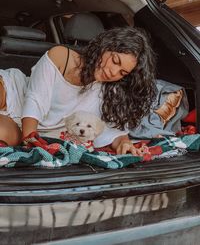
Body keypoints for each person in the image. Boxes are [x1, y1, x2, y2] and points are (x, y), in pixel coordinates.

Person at [0, 27, 156, 155]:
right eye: (115, 60)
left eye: (122, 73)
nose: (113, 72)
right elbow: (35, 100)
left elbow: (114, 131)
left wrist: (125, 143)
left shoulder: (110, 91)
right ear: (106, 46)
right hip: (13, 93)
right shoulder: (62, 56)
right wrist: (30, 141)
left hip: (21, 124)